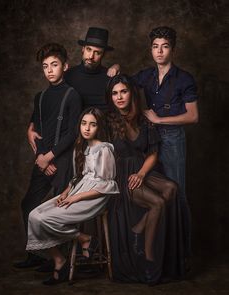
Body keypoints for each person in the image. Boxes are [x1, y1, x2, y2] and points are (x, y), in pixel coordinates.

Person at [106, 74, 185, 285]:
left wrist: (141, 173)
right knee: (157, 203)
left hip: (141, 169)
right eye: (114, 93)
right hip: (122, 174)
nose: (119, 97)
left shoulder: (143, 118)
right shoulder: (109, 120)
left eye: (123, 91)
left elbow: (152, 153)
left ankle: (139, 227)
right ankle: (149, 258)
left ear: (131, 93)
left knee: (171, 188)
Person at [26, 107, 119, 285]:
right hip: (78, 190)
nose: (87, 128)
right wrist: (66, 192)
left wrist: (75, 198)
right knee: (34, 216)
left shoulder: (104, 149)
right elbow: (80, 177)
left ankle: (81, 242)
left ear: (99, 127)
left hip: (94, 197)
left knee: (46, 219)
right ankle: (71, 249)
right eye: (84, 123)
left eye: (92, 124)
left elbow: (107, 185)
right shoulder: (82, 147)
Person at [132, 26, 199, 260]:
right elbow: (124, 87)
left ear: (173, 49)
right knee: (153, 191)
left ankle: (183, 254)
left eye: (165, 46)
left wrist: (160, 118)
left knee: (177, 194)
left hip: (172, 140)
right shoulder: (146, 76)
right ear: (151, 50)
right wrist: (115, 69)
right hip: (150, 139)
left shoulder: (184, 78)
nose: (159, 51)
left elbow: (193, 116)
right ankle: (153, 245)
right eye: (155, 47)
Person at [14, 43, 82, 268]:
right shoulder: (40, 97)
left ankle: (60, 260)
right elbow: (36, 129)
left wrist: (50, 157)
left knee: (59, 211)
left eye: (54, 65)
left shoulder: (72, 96)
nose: (50, 70)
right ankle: (36, 254)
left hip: (62, 161)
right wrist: (42, 159)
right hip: (43, 159)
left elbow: (73, 133)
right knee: (29, 205)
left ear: (65, 66)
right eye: (45, 66)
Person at [28, 27, 119, 153]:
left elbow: (124, 102)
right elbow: (50, 99)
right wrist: (31, 126)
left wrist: (117, 67)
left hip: (103, 142)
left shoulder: (110, 78)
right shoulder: (68, 75)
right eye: (88, 49)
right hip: (73, 143)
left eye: (97, 52)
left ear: (103, 54)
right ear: (82, 49)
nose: (91, 56)